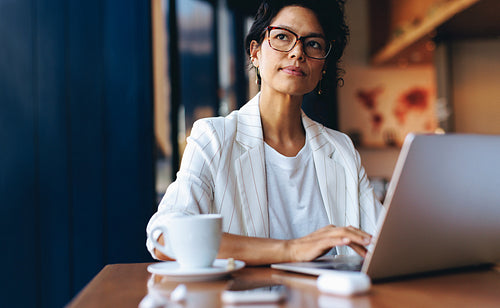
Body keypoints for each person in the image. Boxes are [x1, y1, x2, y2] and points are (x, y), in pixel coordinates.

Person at [146, 0, 383, 266]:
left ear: (323, 66)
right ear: (255, 53)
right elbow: (165, 236)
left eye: (313, 43)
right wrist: (291, 250)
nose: (297, 52)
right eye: (282, 37)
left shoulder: (340, 148)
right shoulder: (214, 137)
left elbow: (383, 241)